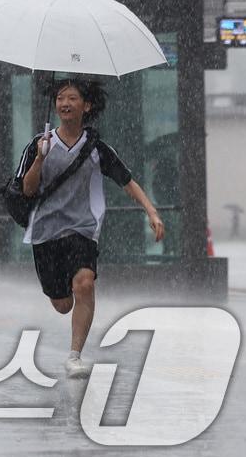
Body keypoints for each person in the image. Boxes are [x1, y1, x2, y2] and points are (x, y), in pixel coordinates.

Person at [14, 78, 164, 377]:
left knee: (84, 283)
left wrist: (152, 212)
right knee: (62, 304)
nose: (65, 103)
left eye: (71, 98)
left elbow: (126, 180)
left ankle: (74, 356)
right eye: (60, 98)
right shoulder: (39, 144)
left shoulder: (96, 147)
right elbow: (28, 190)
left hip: (82, 229)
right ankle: (63, 301)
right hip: (45, 232)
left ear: (87, 106)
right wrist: (40, 159)